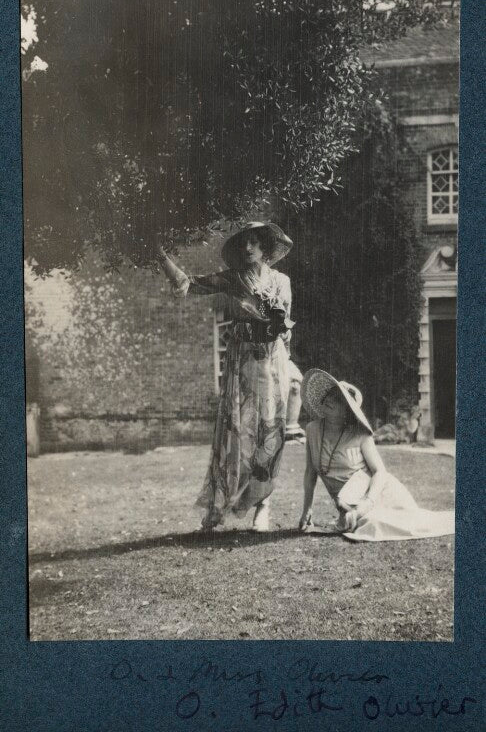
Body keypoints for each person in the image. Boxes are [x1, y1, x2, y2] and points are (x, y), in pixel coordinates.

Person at [159, 221, 294, 531]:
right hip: (242, 362)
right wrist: (159, 255)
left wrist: (276, 323)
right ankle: (218, 506)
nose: (248, 248)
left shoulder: (282, 281)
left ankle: (262, 505)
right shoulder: (232, 280)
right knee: (234, 433)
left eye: (254, 242)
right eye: (244, 243)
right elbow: (189, 284)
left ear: (265, 248)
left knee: (269, 433)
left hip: (273, 363)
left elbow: (285, 325)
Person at [298, 369, 455, 542]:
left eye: (338, 398)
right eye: (329, 394)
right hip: (349, 501)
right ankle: (355, 514)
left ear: (347, 412)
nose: (329, 399)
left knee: (375, 525)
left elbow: (380, 472)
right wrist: (307, 510)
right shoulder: (312, 430)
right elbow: (310, 473)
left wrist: (367, 503)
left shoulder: (360, 435)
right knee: (362, 525)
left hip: (378, 493)